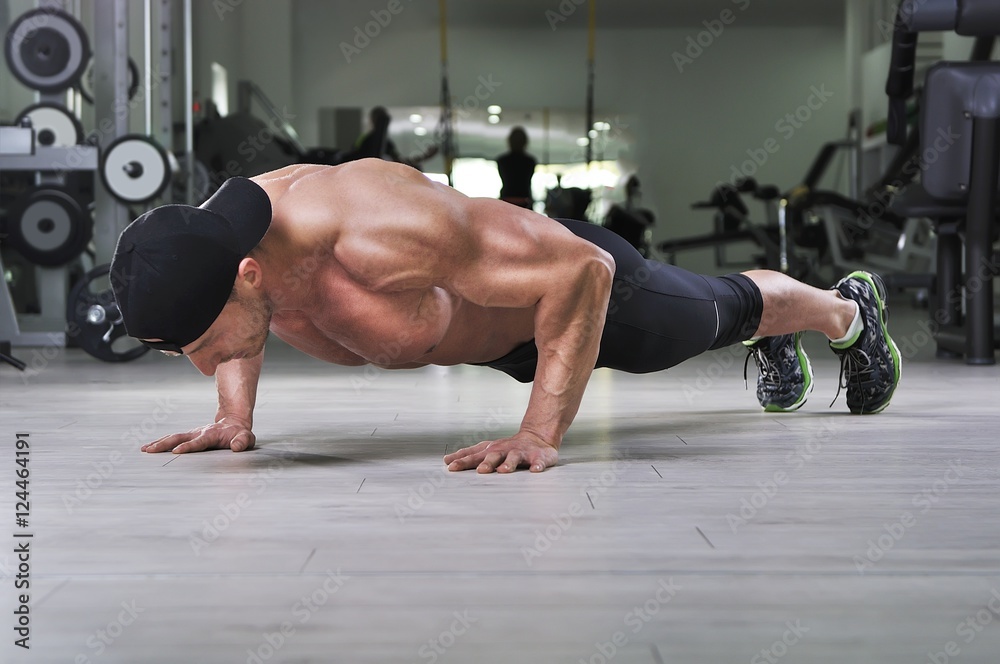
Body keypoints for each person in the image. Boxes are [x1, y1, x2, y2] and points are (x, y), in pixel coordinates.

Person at [110, 159, 901, 474]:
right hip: (499, 337)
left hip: (579, 293)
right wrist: (232, 416)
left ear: (249, 275)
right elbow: (230, 316)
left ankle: (844, 313)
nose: (204, 361)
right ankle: (797, 326)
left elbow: (581, 271)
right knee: (730, 311)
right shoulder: (221, 246)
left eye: (201, 345)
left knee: (724, 311)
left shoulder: (373, 231)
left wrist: (539, 434)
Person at [496, 126, 538, 209]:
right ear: (525, 142)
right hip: (525, 201)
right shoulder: (530, 161)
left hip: (506, 200)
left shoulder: (502, 160)